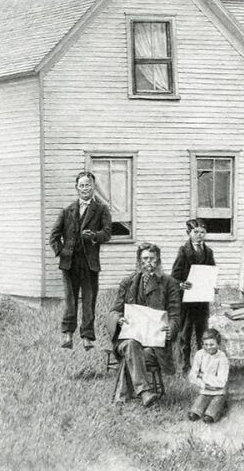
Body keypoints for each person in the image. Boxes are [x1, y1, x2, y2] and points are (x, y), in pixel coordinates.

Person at [107, 243, 181, 407]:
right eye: (145, 258)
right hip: (128, 339)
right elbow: (113, 312)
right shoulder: (128, 282)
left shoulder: (169, 283)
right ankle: (145, 392)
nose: (149, 262)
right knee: (131, 345)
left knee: (134, 353)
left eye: (152, 259)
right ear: (139, 261)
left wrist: (171, 329)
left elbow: (175, 315)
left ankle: (122, 397)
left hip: (154, 344)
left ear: (158, 260)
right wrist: (118, 319)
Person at [49, 171, 112, 350]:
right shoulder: (67, 210)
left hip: (89, 263)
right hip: (69, 263)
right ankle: (67, 335)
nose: (85, 188)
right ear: (77, 188)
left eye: (88, 185)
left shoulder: (101, 209)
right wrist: (62, 252)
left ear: (94, 187)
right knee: (70, 300)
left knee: (89, 300)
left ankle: (87, 337)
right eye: (82, 185)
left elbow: (107, 233)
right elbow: (54, 237)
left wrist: (94, 236)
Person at [171, 218, 216, 374]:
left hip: (202, 300)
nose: (199, 235)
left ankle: (203, 365)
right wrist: (181, 284)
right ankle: (184, 366)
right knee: (185, 334)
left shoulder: (208, 252)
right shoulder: (183, 251)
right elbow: (174, 277)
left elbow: (211, 272)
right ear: (188, 233)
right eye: (196, 232)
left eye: (202, 232)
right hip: (186, 301)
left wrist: (212, 286)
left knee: (203, 333)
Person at [187, 328, 229, 423]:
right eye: (206, 344)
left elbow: (221, 382)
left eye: (212, 344)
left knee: (208, 418)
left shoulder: (222, 358)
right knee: (193, 415)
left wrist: (203, 376)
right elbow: (192, 375)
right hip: (204, 390)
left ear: (218, 344)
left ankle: (222, 403)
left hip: (218, 392)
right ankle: (204, 405)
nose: (208, 347)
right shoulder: (199, 354)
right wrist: (202, 384)